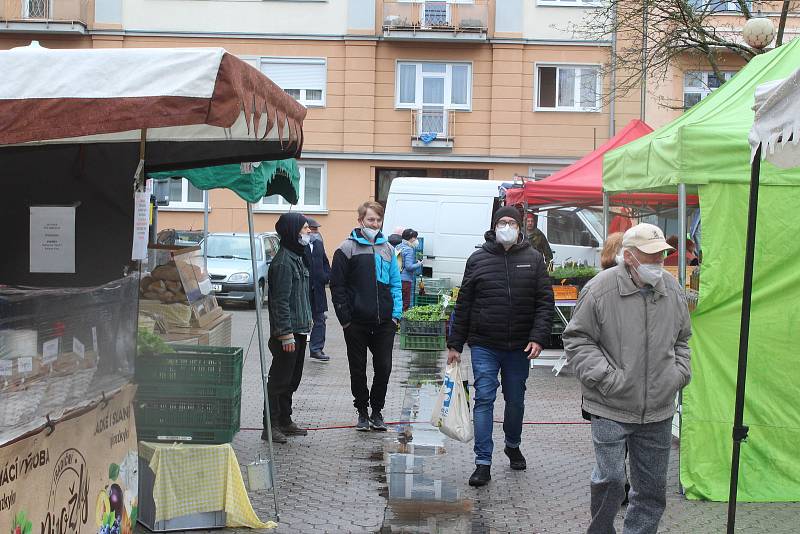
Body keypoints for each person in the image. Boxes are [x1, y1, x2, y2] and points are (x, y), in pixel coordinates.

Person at [562, 223, 692, 534]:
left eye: (661, 256)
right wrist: (607, 378)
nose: (658, 263)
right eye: (651, 257)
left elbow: (683, 338)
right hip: (610, 403)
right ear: (629, 257)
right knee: (611, 480)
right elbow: (577, 339)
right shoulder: (599, 289)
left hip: (659, 407)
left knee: (650, 490)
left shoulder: (671, 289)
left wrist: (678, 374)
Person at [446, 206, 555, 487]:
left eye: (511, 222)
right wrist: (454, 344)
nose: (507, 226)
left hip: (520, 345)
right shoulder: (478, 259)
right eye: (502, 222)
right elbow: (464, 303)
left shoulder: (534, 259)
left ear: (520, 228)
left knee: (515, 399)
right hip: (484, 343)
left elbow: (545, 302)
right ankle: (483, 461)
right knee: (484, 397)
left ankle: (512, 443)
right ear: (494, 227)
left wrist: (538, 337)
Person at [330, 201, 403, 432]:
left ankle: (377, 411)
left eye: (378, 220)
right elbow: (337, 286)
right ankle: (362, 411)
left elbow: (395, 284)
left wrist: (395, 316)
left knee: (384, 367)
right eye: (371, 219)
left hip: (384, 323)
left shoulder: (388, 249)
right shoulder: (346, 248)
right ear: (361, 220)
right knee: (358, 368)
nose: (375, 224)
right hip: (356, 323)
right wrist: (345, 319)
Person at [263, 212, 313, 444]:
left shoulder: (297, 256)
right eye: (304, 228)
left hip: (299, 330)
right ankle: (270, 426)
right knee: (279, 381)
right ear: (293, 231)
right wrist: (285, 335)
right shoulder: (283, 262)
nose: (308, 232)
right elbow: (280, 301)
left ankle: (285, 420)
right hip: (288, 333)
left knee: (292, 380)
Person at [304, 217, 332, 362]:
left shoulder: (318, 244)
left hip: (318, 289)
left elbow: (325, 262)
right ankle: (298, 348)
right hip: (303, 290)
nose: (314, 232)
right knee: (302, 320)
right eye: (312, 229)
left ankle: (316, 349)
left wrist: (326, 276)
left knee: (320, 319)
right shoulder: (299, 245)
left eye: (316, 230)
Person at [396, 228, 424, 311]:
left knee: (397, 301)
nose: (416, 240)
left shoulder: (399, 246)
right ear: (410, 238)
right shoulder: (409, 249)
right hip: (405, 280)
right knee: (405, 303)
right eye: (414, 238)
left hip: (397, 277)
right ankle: (401, 322)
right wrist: (419, 264)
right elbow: (408, 267)